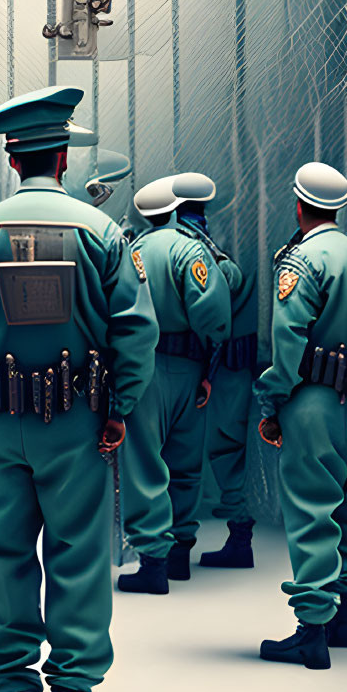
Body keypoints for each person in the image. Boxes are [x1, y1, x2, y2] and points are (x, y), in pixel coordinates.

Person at [0, 86, 158, 692]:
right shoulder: (103, 234)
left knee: (0, 556)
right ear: (62, 158)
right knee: (79, 555)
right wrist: (116, 411)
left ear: (12, 157)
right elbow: (133, 333)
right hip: (78, 423)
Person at [256, 162, 347, 669]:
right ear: (336, 207)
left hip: (311, 398)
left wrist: (273, 401)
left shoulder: (299, 262)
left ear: (299, 207)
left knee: (312, 510)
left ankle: (312, 630)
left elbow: (288, 341)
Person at [117, 174, 231, 593]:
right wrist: (206, 369)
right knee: (185, 465)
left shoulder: (134, 252)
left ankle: (153, 564)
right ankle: (181, 552)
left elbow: (118, 314)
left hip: (146, 368)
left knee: (146, 463)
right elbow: (214, 317)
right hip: (190, 369)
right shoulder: (193, 250)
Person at [165, 173, 262, 571]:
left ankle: (238, 539)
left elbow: (226, 284)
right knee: (224, 450)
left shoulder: (199, 248)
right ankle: (236, 537)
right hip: (231, 363)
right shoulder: (208, 241)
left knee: (224, 449)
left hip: (224, 366)